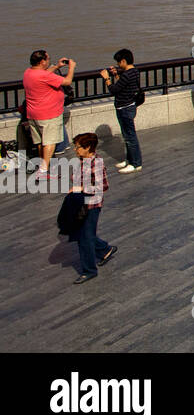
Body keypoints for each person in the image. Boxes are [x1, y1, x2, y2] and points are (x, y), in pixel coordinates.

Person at [70, 132, 116, 284]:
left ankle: (89, 270)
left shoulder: (96, 163)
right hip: (81, 203)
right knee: (84, 234)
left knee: (85, 238)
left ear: (88, 147)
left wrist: (80, 188)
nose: (76, 150)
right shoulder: (82, 161)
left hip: (92, 205)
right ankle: (105, 250)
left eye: (78, 148)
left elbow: (102, 186)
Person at [22, 50, 75, 182]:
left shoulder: (29, 72)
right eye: (48, 59)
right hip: (48, 115)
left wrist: (57, 66)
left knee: (41, 142)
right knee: (50, 142)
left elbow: (45, 74)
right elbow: (67, 81)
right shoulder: (43, 75)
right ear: (42, 62)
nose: (49, 61)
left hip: (33, 114)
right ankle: (43, 171)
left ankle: (43, 166)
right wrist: (72, 67)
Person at [101, 48, 142, 172]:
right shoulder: (134, 72)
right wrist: (116, 75)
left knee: (130, 137)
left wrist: (107, 79)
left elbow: (114, 90)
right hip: (130, 106)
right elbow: (123, 86)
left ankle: (135, 163)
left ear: (124, 61)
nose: (118, 65)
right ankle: (130, 160)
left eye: (119, 63)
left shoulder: (127, 75)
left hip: (124, 108)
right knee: (127, 136)